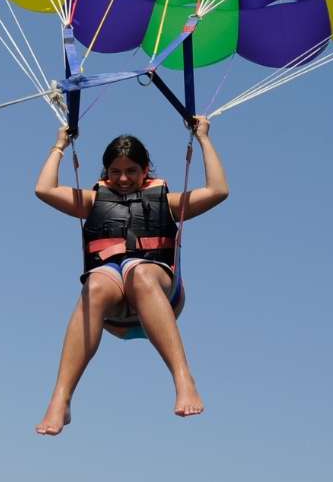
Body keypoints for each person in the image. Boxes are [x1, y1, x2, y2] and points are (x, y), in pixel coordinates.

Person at [33, 117, 228, 434]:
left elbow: (219, 190)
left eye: (131, 171)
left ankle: (183, 377)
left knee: (137, 271)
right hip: (111, 305)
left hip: (159, 290)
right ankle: (60, 399)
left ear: (145, 169)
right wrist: (60, 145)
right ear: (106, 173)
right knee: (95, 282)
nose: (123, 179)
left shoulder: (167, 202)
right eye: (115, 172)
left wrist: (203, 138)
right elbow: (44, 189)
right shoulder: (95, 200)